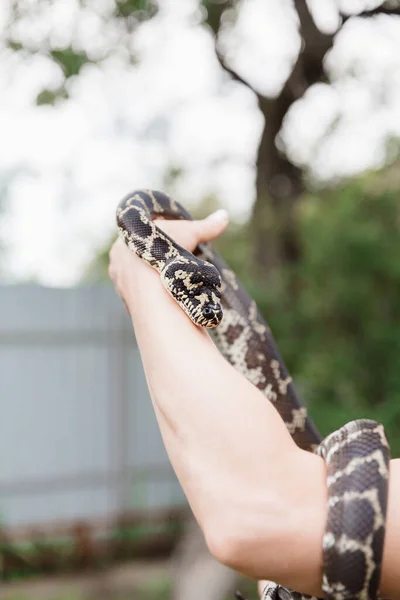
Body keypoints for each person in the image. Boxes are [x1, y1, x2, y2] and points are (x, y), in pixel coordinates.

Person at [108, 209, 400, 599]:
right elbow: (275, 560)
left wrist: (141, 280)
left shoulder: (152, 263)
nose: (208, 309)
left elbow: (254, 518)